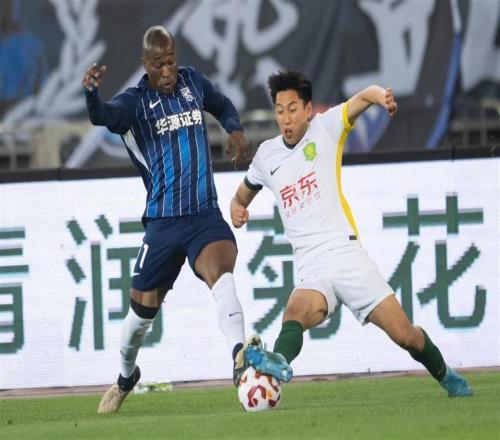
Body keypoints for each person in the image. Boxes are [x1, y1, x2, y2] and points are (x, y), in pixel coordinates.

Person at [231, 70, 473, 398]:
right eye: (279, 110)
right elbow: (242, 195)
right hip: (312, 267)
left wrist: (380, 96)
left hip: (346, 256)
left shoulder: (325, 128)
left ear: (307, 109)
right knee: (294, 312)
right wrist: (237, 208)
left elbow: (361, 98)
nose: (285, 118)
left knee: (406, 336)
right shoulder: (266, 155)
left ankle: (448, 377)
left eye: (292, 109)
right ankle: (280, 362)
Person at [83, 25, 254, 414]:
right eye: (158, 63)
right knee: (139, 318)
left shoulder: (193, 82)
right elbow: (102, 116)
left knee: (222, 274)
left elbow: (223, 104)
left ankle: (239, 359)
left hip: (203, 214)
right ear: (145, 64)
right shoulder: (134, 103)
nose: (167, 70)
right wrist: (92, 94)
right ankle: (126, 377)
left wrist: (235, 130)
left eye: (171, 61)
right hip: (163, 222)